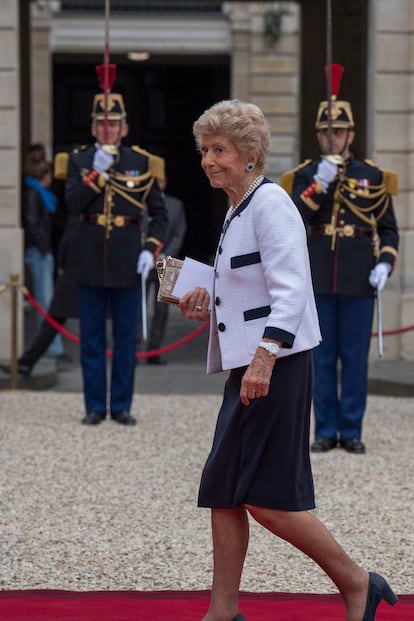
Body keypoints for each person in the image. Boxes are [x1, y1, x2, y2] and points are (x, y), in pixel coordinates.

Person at [178, 99, 397, 621]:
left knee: (268, 497)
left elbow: (293, 288)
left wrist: (263, 359)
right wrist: (201, 294)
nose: (209, 160)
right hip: (251, 365)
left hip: (274, 364)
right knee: (224, 489)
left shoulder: (271, 203)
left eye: (220, 150)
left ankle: (357, 581)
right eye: (205, 150)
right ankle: (223, 611)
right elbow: (248, 285)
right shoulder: (238, 207)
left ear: (250, 154)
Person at [280, 66, 399, 454]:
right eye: (326, 132)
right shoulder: (304, 176)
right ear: (318, 135)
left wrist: (384, 263)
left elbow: (388, 230)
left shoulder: (373, 177)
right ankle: (324, 430)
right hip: (316, 277)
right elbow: (295, 219)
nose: (332, 138)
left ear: (351, 135)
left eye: (339, 132)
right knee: (321, 359)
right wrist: (320, 184)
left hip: (358, 277)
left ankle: (351, 430)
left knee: (354, 361)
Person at [65, 92, 168, 426]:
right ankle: (95, 405)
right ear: (93, 128)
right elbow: (73, 205)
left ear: (125, 128)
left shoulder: (141, 161)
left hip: (126, 257)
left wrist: (149, 249)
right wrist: (95, 175)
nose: (107, 129)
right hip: (89, 255)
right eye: (101, 124)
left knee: (126, 338)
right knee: (92, 337)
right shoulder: (79, 161)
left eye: (114, 124)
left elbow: (159, 214)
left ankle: (121, 405)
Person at [22, 158, 66, 359]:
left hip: (41, 250)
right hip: (39, 252)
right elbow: (32, 222)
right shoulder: (33, 193)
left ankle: (51, 346)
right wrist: (42, 246)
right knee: (45, 301)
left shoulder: (37, 193)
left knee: (46, 300)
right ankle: (52, 348)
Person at [145, 177, 187, 365]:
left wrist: (165, 254)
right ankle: (135, 349)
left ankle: (155, 350)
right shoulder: (139, 202)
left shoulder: (175, 205)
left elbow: (180, 232)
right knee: (137, 308)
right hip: (143, 261)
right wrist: (146, 252)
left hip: (167, 263)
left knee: (162, 312)